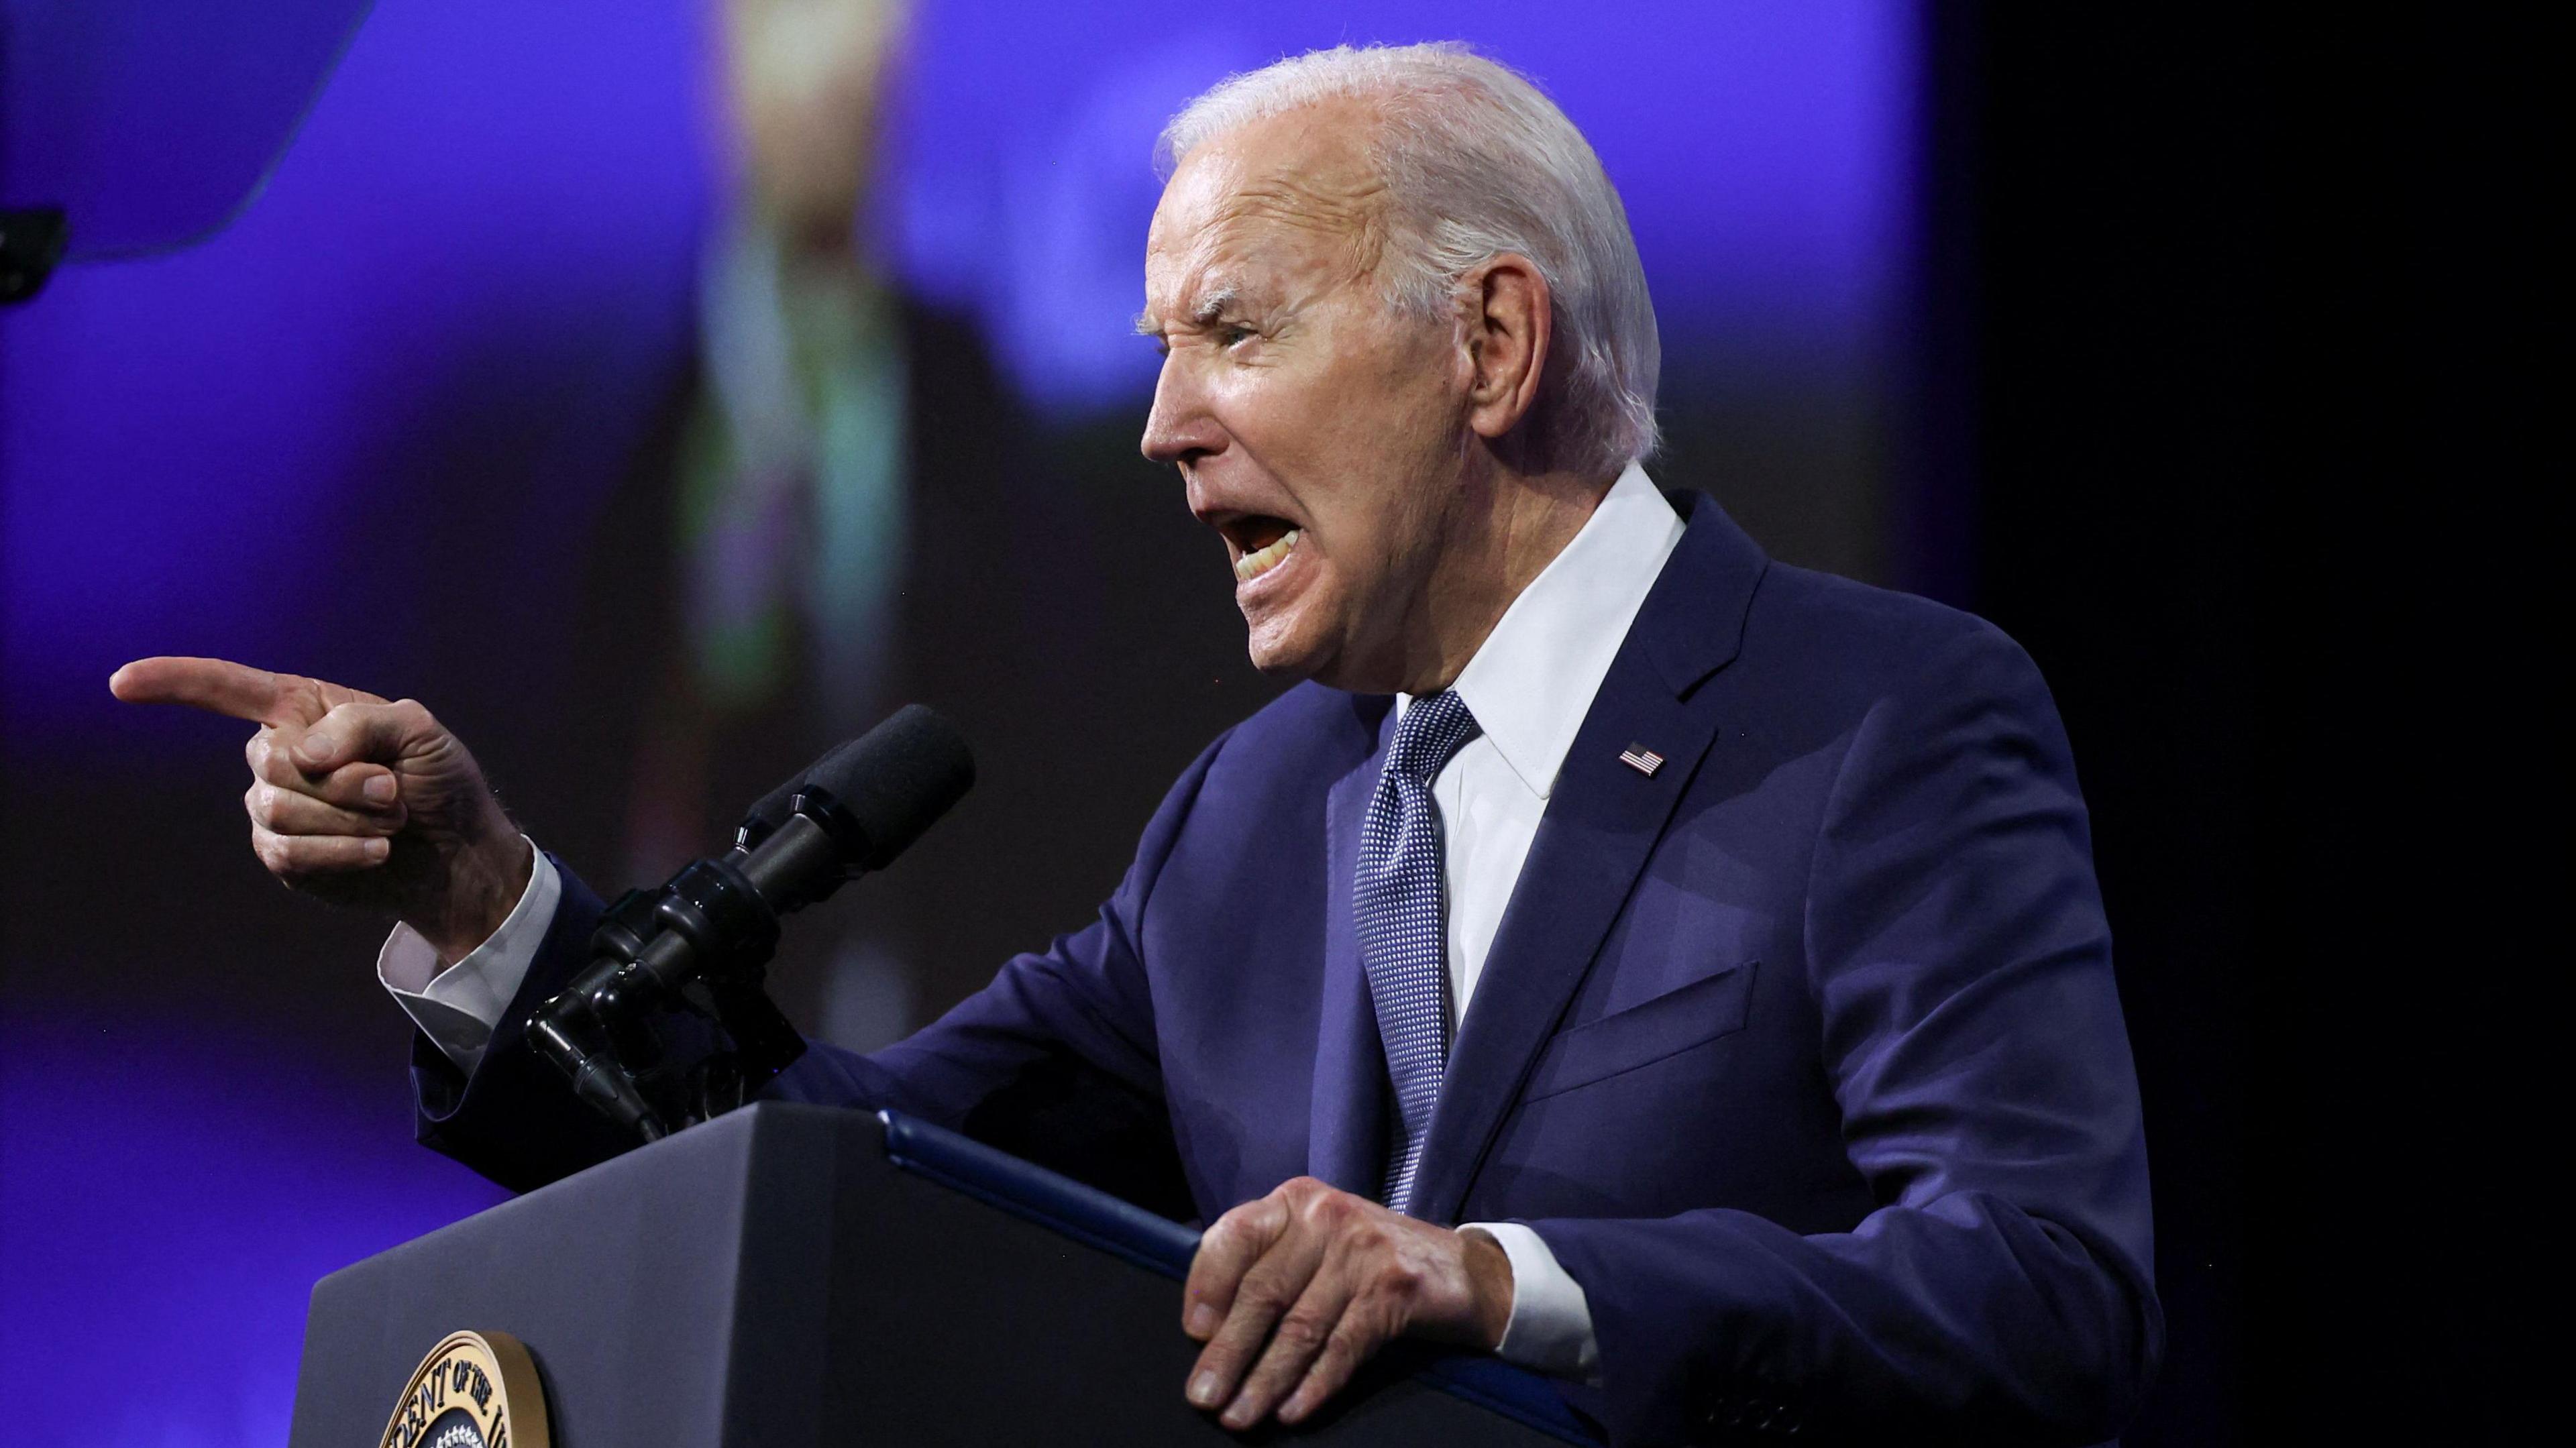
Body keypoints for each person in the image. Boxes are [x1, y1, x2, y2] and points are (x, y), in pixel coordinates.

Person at [114, 43, 2159, 1446]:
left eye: (1236, 333)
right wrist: (486, 908)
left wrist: (1496, 1280)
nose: (1169, 425)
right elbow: (825, 1181)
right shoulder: (1255, 820)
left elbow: (2043, 1288)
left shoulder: (1877, 716)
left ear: (1494, 343)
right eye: (1160, 351)